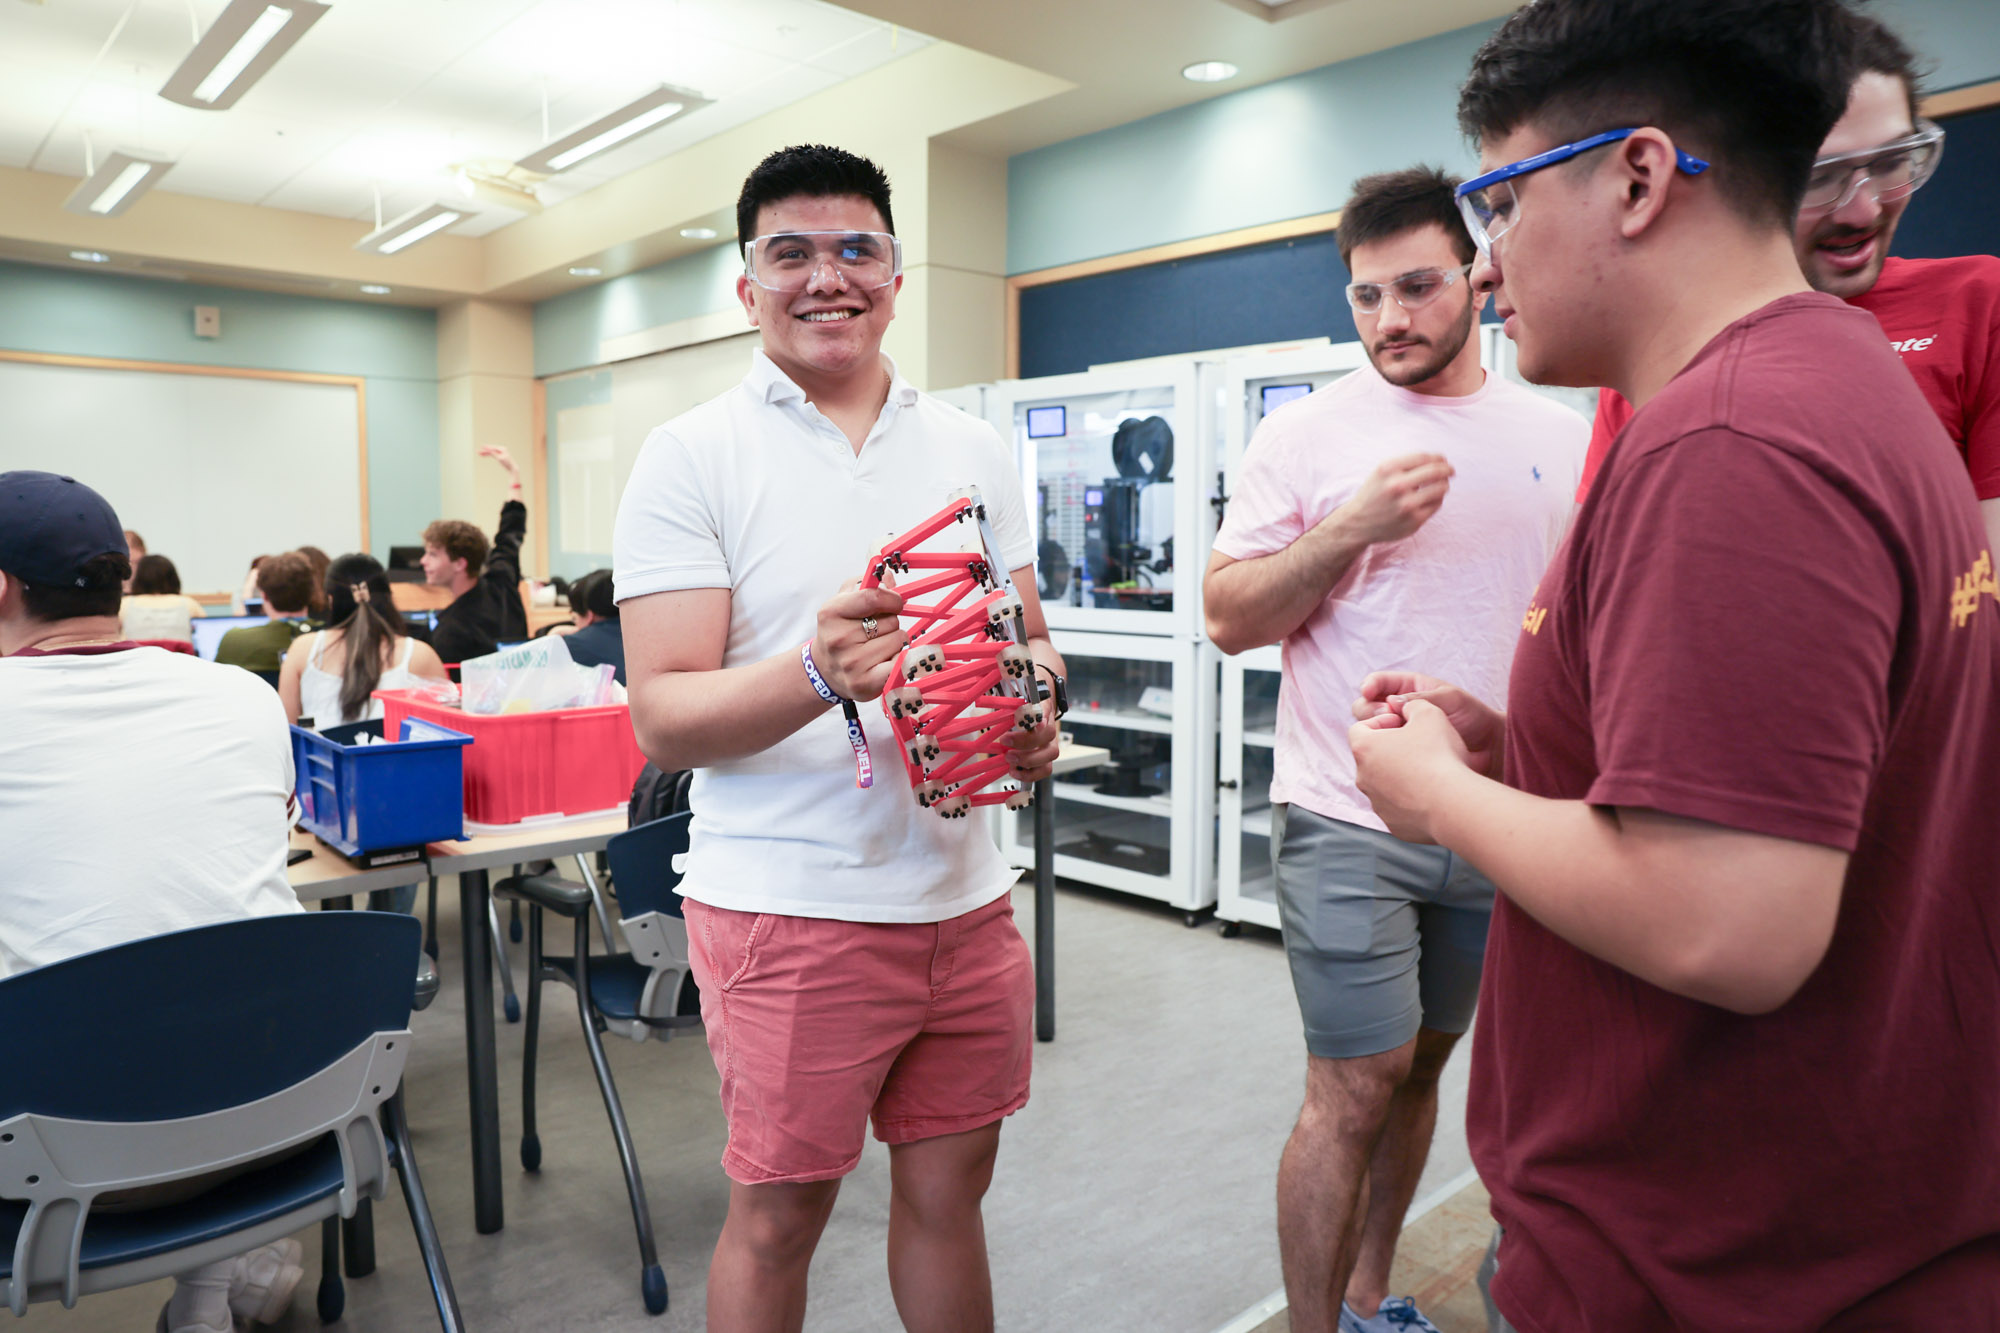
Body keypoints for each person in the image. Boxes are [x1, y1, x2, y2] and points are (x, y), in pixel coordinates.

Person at [1349, 3, 2000, 1328]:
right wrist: (1534, 746)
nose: (1483, 269)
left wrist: (1437, 797)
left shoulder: (1730, 444)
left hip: (1710, 1257)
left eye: (1500, 201)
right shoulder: (1839, 385)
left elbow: (1730, 920)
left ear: (1639, 178)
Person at [614, 143, 1063, 1333]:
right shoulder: (690, 454)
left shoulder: (970, 448)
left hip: (965, 901)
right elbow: (661, 712)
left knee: (949, 1196)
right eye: (792, 252)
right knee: (780, 1217)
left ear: (897, 275)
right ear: (747, 280)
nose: (829, 276)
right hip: (789, 910)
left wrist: (1034, 715)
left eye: (857, 248)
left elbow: (1030, 641)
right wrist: (815, 673)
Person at [1203, 167, 1586, 1333]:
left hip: (1493, 815)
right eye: (1364, 297)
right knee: (1348, 1085)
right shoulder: (1306, 432)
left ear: (1473, 274)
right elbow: (1229, 617)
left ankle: (1371, 1301)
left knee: (1421, 1070)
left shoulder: (1558, 436)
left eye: (1414, 288)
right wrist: (1350, 527)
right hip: (1343, 817)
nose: (1389, 322)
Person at [0, 470, 309, 1333]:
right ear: (120, 581)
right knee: (195, 983)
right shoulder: (243, 698)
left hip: (62, 1149)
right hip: (277, 1117)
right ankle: (213, 1297)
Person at [1579, 13, 2000, 549]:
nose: (1862, 208)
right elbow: (1603, 566)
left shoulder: (1975, 302)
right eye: (1820, 175)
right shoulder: (1660, 346)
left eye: (1892, 161)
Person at [280, 554, 447, 728]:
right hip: (397, 755)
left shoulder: (302, 650)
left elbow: (287, 731)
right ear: (388, 596)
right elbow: (444, 734)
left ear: (330, 600)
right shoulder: (420, 656)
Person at [422, 446, 528, 666]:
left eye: (433, 554)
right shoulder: (502, 583)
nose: (423, 561)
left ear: (460, 563)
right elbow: (510, 533)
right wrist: (513, 474)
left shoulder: (451, 629)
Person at [216, 551, 316, 674]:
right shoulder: (334, 638)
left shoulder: (233, 641)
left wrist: (247, 589)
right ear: (312, 592)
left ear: (264, 596)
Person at [120, 553, 206, 644]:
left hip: (137, 657)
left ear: (138, 578)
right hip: (180, 657)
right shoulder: (189, 604)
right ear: (174, 579)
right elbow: (204, 635)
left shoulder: (124, 605)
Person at [559, 568, 625, 685]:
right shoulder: (646, 633)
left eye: (575, 617)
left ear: (589, 615)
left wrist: (554, 639)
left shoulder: (572, 644)